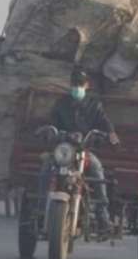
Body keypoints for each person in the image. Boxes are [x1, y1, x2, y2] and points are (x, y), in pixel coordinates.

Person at [42, 69, 119, 232]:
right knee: (46, 168)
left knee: (98, 171)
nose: (77, 87)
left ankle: (102, 215)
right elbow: (52, 121)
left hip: (83, 150)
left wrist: (111, 134)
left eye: (80, 84)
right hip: (63, 150)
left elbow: (104, 121)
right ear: (70, 85)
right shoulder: (61, 103)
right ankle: (41, 209)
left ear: (87, 85)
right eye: (74, 84)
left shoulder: (94, 104)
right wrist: (49, 131)